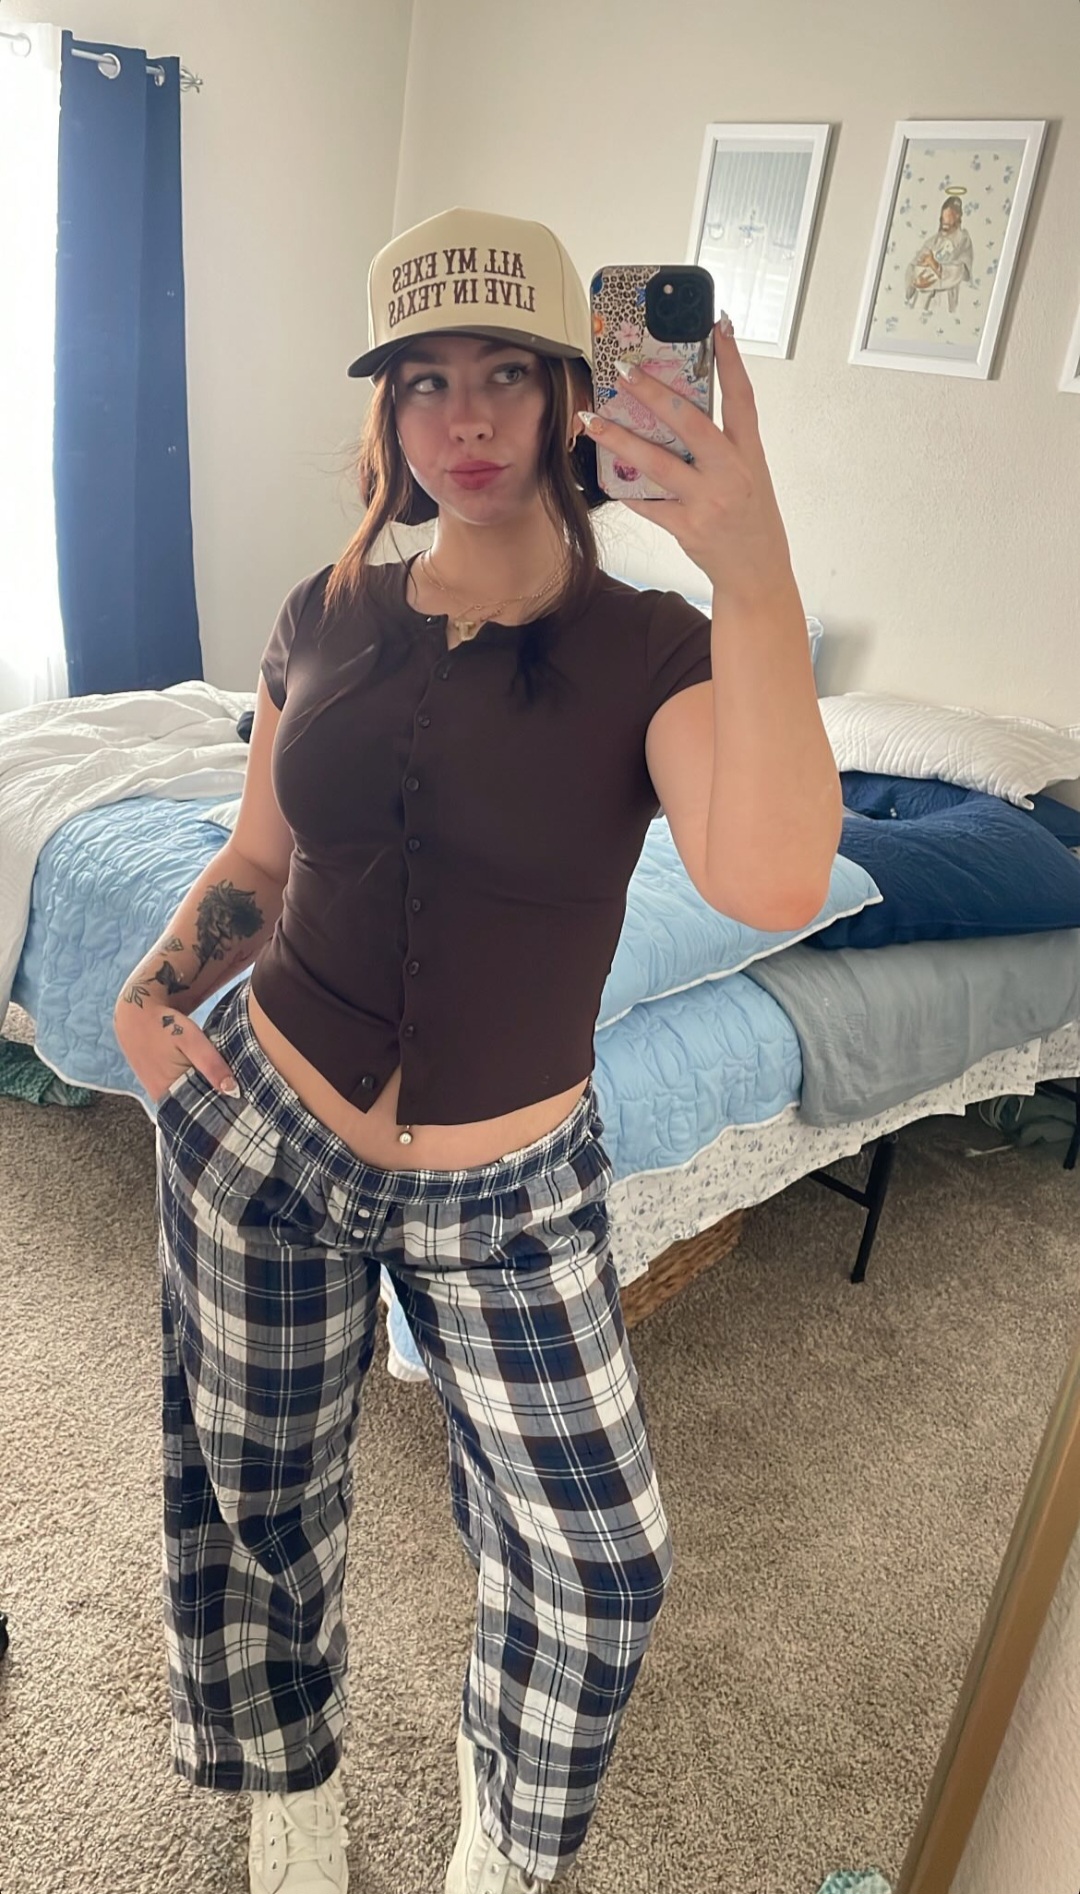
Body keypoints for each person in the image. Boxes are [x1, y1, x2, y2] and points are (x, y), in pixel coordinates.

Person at [114, 206, 841, 1893]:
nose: (468, 418)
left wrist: (755, 564)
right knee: (253, 1489)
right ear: (386, 411)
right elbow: (258, 859)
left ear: (576, 397)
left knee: (597, 1559)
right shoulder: (324, 611)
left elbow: (773, 875)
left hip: (510, 1190)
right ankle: (289, 1779)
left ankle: (501, 1819)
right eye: (425, 379)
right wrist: (150, 996)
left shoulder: (655, 648)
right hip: (265, 1132)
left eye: (508, 373)